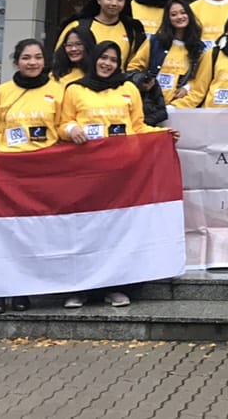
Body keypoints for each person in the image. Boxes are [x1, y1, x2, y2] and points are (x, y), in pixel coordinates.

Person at [59, 40, 178, 309]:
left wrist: (163, 135)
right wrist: (70, 130)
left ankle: (117, 287)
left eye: (113, 60)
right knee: (86, 231)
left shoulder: (128, 89)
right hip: (86, 173)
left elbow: (137, 126)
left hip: (122, 174)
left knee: (117, 231)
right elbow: (61, 124)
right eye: (103, 58)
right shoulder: (75, 90)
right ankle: (81, 289)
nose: (107, 64)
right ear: (94, 59)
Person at [0, 38, 63, 315]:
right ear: (16, 62)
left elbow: (62, 129)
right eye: (26, 58)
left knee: (31, 234)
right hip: (6, 172)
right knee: (4, 234)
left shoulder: (59, 92)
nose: (32, 62)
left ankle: (24, 291)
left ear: (44, 61)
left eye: (37, 57)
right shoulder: (3, 92)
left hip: (41, 172)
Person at [126, 0, 209, 106]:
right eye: (174, 14)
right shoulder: (154, 42)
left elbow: (199, 81)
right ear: (168, 19)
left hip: (177, 109)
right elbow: (133, 67)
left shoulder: (199, 49)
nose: (179, 17)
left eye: (183, 13)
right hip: (149, 104)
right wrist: (142, 81)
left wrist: (187, 87)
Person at [56, 0, 145, 67]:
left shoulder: (131, 30)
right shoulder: (77, 26)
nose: (114, 3)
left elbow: (133, 66)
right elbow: (59, 62)